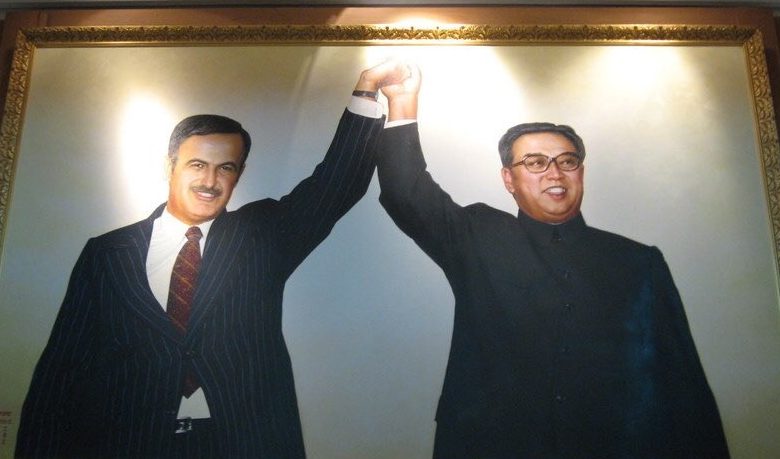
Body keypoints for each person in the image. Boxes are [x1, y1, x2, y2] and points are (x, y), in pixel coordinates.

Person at [15, 61, 410, 458]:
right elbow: (61, 375)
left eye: (225, 168)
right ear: (170, 166)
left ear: (239, 174)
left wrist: (367, 90)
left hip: (241, 445)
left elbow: (334, 186)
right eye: (197, 165)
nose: (209, 181)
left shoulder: (260, 236)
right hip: (130, 444)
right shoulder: (107, 253)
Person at [376, 65, 730, 457]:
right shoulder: (477, 239)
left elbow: (685, 385)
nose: (554, 173)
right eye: (535, 162)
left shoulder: (638, 262)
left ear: (581, 172)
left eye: (567, 161)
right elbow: (406, 192)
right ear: (508, 179)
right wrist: (402, 103)